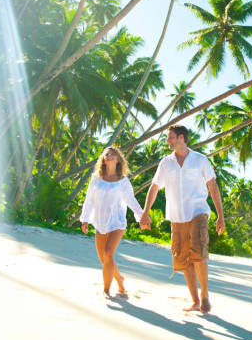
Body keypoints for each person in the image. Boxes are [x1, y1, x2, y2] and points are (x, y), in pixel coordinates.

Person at [139, 125, 225, 313]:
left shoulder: (200, 160)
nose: (167, 141)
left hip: (198, 212)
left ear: (181, 138)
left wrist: (220, 215)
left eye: (170, 137)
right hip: (176, 217)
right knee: (184, 259)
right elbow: (154, 187)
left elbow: (213, 186)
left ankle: (205, 297)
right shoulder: (165, 163)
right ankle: (195, 301)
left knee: (199, 254)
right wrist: (145, 212)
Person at [80, 146, 143, 299]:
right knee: (104, 259)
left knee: (108, 253)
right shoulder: (96, 178)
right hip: (100, 221)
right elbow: (89, 200)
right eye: (107, 154)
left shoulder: (123, 181)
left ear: (118, 159)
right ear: (103, 159)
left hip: (117, 222)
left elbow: (131, 200)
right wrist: (85, 219)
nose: (109, 155)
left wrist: (142, 216)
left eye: (113, 154)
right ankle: (119, 279)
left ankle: (106, 290)